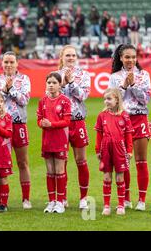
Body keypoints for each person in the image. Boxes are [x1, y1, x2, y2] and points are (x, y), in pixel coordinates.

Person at [109, 44, 151, 211]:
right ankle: (125, 198)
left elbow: (146, 100)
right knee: (123, 162)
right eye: (127, 57)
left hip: (140, 119)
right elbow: (112, 100)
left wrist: (133, 85)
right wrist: (124, 86)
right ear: (120, 58)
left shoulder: (144, 75)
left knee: (141, 161)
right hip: (122, 121)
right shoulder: (114, 77)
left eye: (133, 57)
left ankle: (141, 200)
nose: (131, 60)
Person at [0, 52, 32, 209]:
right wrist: (4, 91)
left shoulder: (24, 79)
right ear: (1, 63)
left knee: (22, 162)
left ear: (17, 64)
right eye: (5, 62)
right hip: (0, 126)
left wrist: (10, 90)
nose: (8, 65)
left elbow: (25, 100)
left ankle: (26, 199)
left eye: (11, 62)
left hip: (19, 124)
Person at [58, 46, 90, 210]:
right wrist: (61, 84)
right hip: (60, 124)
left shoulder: (83, 74)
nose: (71, 58)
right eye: (67, 55)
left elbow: (83, 95)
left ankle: (83, 198)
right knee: (61, 161)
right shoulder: (55, 75)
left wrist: (70, 83)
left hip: (78, 122)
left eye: (73, 55)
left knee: (81, 160)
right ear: (61, 57)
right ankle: (62, 197)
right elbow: (49, 95)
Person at [37, 72, 71, 214]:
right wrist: (42, 123)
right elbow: (39, 119)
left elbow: (67, 121)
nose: (51, 85)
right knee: (50, 171)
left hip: (60, 139)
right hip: (47, 139)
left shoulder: (64, 101)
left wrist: (52, 124)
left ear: (59, 85)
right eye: (49, 82)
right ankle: (51, 201)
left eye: (54, 83)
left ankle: (60, 202)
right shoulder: (42, 101)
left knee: (59, 171)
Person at [95, 88, 133, 216]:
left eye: (109, 99)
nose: (106, 101)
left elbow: (128, 135)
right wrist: (97, 149)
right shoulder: (102, 115)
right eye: (105, 99)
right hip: (106, 147)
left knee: (120, 176)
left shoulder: (124, 115)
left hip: (119, 148)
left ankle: (121, 205)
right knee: (106, 176)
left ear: (117, 100)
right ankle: (106, 205)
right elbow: (99, 134)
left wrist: (129, 150)